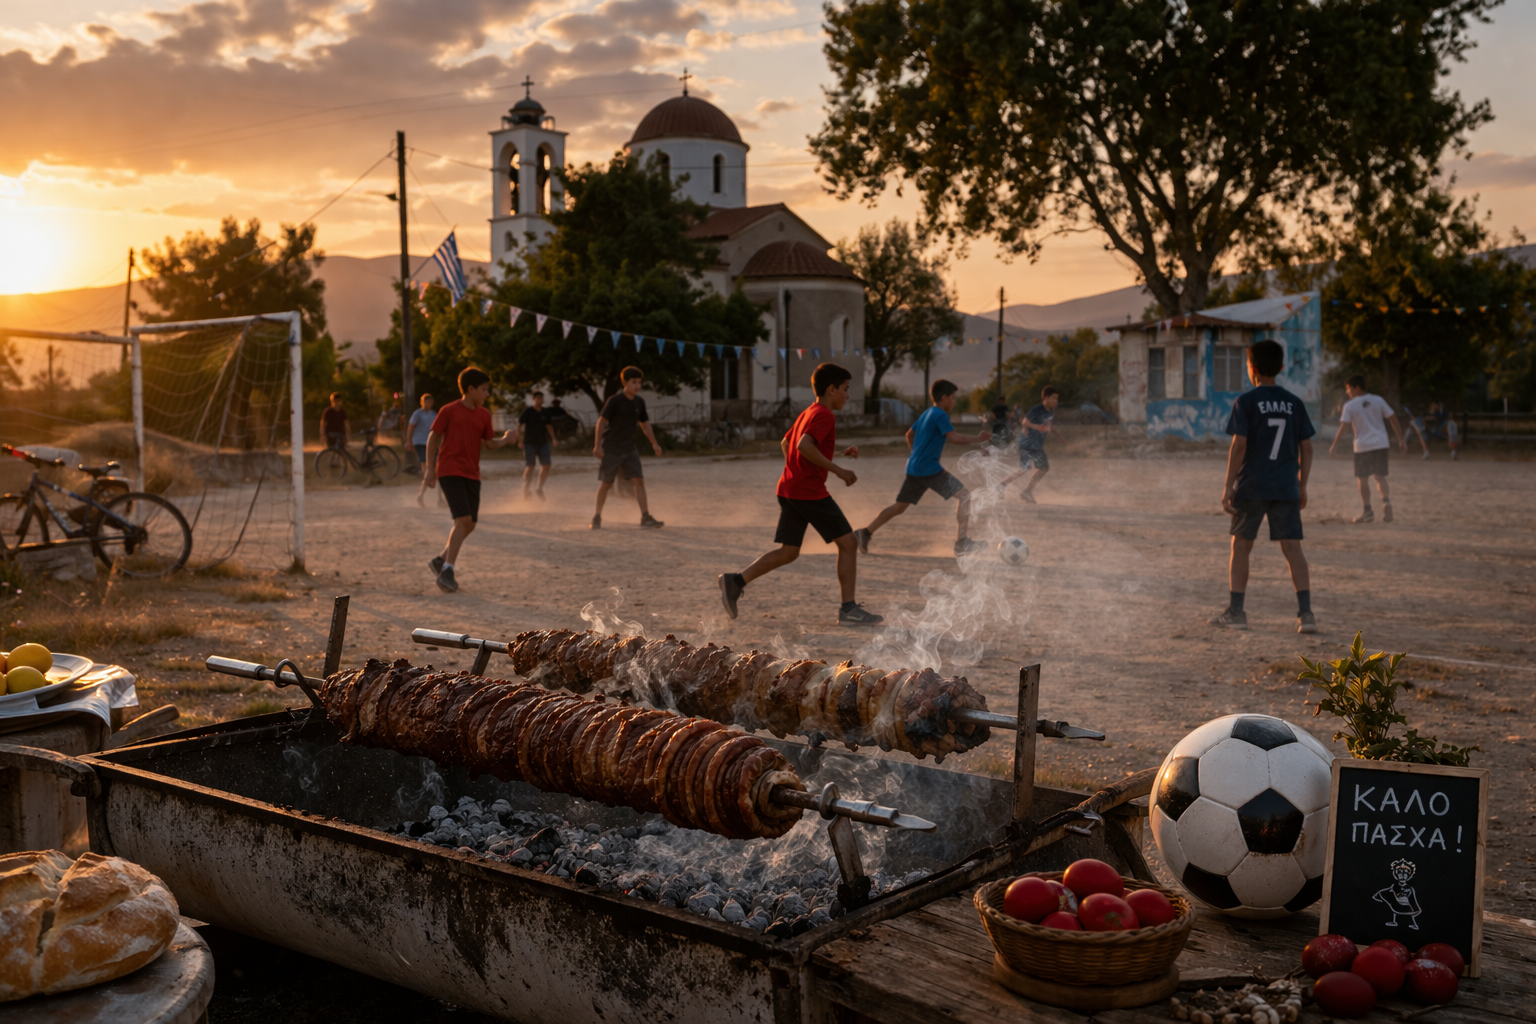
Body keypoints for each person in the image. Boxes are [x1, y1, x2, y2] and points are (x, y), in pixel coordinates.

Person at [718, 363, 881, 625]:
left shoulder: (809, 411)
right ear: (831, 389)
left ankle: (735, 582)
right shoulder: (825, 415)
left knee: (789, 552)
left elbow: (788, 444)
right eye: (845, 389)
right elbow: (804, 445)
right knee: (849, 543)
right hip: (808, 492)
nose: (848, 396)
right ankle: (849, 610)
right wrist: (838, 470)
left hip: (791, 488)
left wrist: (805, 467)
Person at [1209, 340, 1317, 634]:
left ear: (1251, 367)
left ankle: (1237, 613)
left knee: (1241, 546)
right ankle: (1305, 614)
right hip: (1285, 486)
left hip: (1252, 486)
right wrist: (1302, 484)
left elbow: (1239, 444)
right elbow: (1307, 449)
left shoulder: (1246, 401)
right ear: (1281, 368)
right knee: (1293, 549)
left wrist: (1228, 486)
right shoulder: (1295, 403)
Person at [854, 379, 991, 559]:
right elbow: (953, 438)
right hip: (929, 469)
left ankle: (865, 533)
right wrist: (977, 439)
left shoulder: (927, 413)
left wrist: (916, 454)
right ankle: (962, 543)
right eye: (953, 397)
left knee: (899, 506)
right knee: (964, 495)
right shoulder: (941, 414)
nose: (954, 402)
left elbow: (909, 434)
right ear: (944, 397)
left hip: (915, 467)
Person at [423, 367, 513, 593]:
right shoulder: (449, 410)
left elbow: (489, 444)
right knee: (463, 519)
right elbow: (433, 437)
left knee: (470, 523)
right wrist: (430, 469)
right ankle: (447, 571)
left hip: (472, 473)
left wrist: (505, 439)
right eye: (483, 390)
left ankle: (440, 560)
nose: (486, 394)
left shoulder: (484, 415)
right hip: (449, 470)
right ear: (470, 389)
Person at [592, 366, 664, 530]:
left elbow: (645, 424)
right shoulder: (615, 400)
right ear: (625, 382)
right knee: (606, 484)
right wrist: (597, 445)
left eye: (639, 382)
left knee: (639, 481)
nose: (637, 386)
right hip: (612, 448)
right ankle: (597, 517)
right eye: (634, 382)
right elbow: (601, 422)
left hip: (630, 448)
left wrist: (654, 442)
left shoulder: (639, 402)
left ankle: (645, 517)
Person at [1329, 375, 1406, 523]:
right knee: (1380, 477)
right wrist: (1401, 440)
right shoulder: (1378, 400)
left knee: (1362, 479)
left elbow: (1344, 426)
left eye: (1349, 388)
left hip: (1362, 446)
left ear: (1357, 387)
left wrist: (1335, 444)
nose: (1348, 392)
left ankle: (1367, 511)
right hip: (1381, 443)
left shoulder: (1350, 406)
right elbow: (1393, 418)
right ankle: (1386, 502)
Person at [1005, 387, 1059, 503]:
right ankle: (1027, 491)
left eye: (1057, 398)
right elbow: (1025, 421)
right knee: (1042, 468)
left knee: (1026, 469)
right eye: (1054, 398)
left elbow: (1048, 425)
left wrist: (1058, 436)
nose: (1056, 401)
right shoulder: (1038, 409)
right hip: (1029, 443)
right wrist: (1036, 427)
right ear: (1046, 398)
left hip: (1035, 444)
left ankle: (1004, 484)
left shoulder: (1051, 411)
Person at [516, 391, 553, 500]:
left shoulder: (545, 412)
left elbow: (549, 426)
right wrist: (520, 440)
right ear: (534, 399)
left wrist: (554, 438)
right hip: (529, 443)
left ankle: (539, 488)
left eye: (541, 398)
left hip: (542, 443)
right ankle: (526, 489)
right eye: (537, 398)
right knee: (530, 466)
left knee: (546, 465)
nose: (540, 400)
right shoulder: (528, 412)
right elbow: (518, 426)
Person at [408, 394, 438, 505]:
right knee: (426, 469)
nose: (429, 404)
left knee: (435, 471)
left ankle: (439, 498)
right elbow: (411, 427)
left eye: (431, 402)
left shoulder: (434, 414)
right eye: (427, 402)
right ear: (422, 402)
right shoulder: (417, 413)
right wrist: (408, 440)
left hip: (431, 443)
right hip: (420, 442)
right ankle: (421, 495)